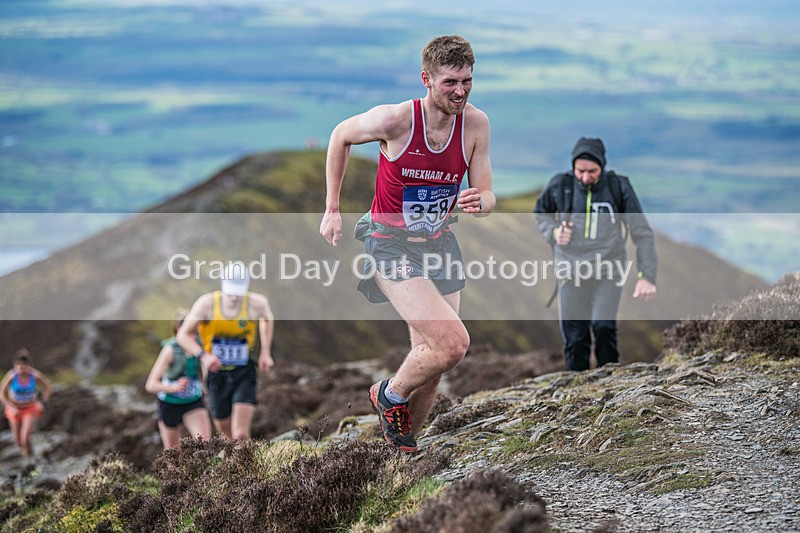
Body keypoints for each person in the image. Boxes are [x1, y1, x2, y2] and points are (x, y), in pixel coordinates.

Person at [319, 35, 495, 453]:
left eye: (467, 81)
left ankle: (402, 452)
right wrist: (332, 207)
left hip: (440, 243)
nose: (460, 91)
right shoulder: (396, 120)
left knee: (431, 363)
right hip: (391, 244)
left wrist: (482, 201)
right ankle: (389, 394)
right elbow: (340, 136)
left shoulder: (475, 124)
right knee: (453, 345)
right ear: (426, 79)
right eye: (450, 82)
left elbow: (486, 191)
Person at [534, 137, 657, 371]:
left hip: (608, 269)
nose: (586, 177)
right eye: (580, 171)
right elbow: (541, 212)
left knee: (603, 326)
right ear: (573, 167)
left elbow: (641, 232)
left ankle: (608, 379)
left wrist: (647, 276)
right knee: (575, 335)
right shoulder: (561, 185)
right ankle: (577, 387)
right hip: (570, 270)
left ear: (602, 166)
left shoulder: (618, 186)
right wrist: (554, 232)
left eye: (592, 171)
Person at [177, 263, 275, 441]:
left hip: (244, 371)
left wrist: (265, 351)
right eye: (230, 293)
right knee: (227, 437)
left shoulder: (257, 303)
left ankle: (249, 466)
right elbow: (183, 335)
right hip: (215, 374)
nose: (234, 298)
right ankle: (233, 466)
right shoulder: (206, 304)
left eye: (238, 293)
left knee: (240, 434)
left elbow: (267, 319)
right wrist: (204, 356)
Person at [146, 309, 213, 449]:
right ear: (178, 329)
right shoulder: (170, 350)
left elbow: (206, 369)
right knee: (173, 455)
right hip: (169, 404)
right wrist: (173, 387)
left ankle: (206, 471)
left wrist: (207, 387)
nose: (194, 335)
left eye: (196, 330)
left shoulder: (200, 346)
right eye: (190, 331)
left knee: (205, 446)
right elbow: (151, 384)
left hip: (193, 402)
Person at [1, 349, 52, 458]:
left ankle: (30, 459)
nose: (21, 369)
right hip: (14, 409)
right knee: (18, 441)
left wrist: (42, 402)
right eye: (18, 366)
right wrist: (9, 406)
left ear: (28, 366)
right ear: (15, 366)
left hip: (30, 408)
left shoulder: (35, 375)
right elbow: (2, 393)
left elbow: (47, 386)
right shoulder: (11, 376)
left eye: (24, 366)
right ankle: (27, 456)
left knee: (25, 438)